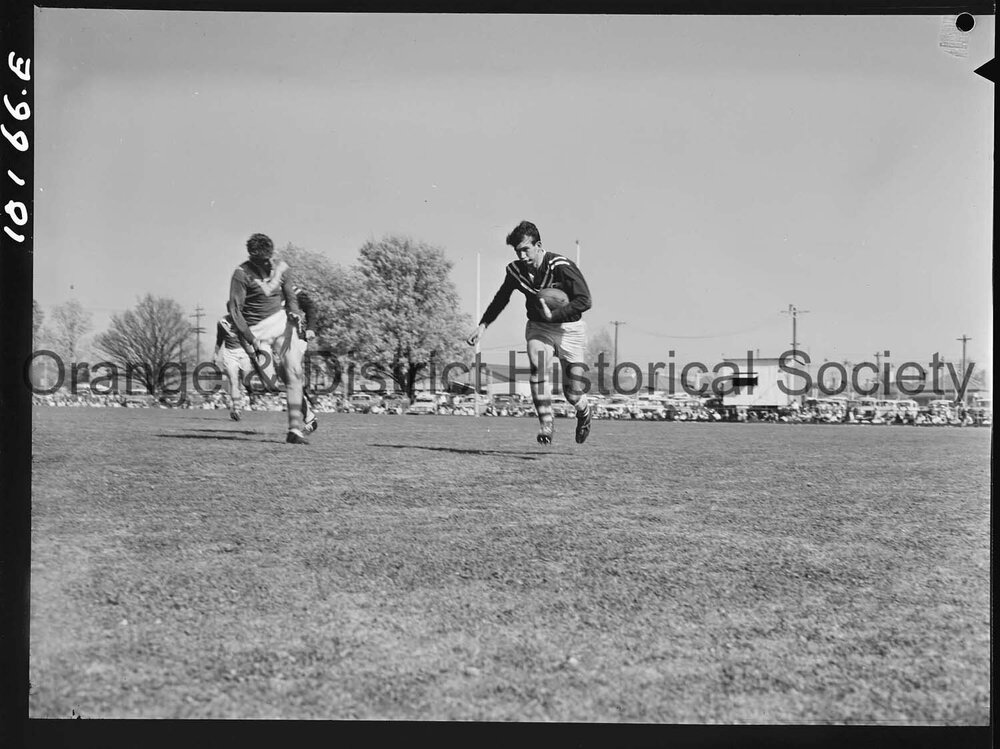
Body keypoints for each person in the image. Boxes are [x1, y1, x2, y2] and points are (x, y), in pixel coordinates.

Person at [466, 220, 593, 445]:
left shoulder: (561, 266)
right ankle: (546, 422)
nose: (522, 255)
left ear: (538, 245)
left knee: (572, 393)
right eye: (518, 251)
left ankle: (583, 412)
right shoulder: (515, 270)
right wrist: (484, 324)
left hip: (569, 330)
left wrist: (557, 314)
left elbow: (585, 300)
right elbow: (501, 298)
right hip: (539, 327)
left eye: (526, 249)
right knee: (537, 363)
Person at [227, 233, 310, 444]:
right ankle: (301, 405)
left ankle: (295, 430)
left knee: (294, 371)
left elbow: (290, 297)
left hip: (281, 326)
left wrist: (294, 311)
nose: (266, 263)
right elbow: (235, 310)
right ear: (251, 257)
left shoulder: (282, 267)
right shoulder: (241, 274)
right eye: (260, 260)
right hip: (256, 333)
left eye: (268, 258)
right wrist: (248, 337)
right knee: (272, 384)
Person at [213, 313, 254, 421]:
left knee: (245, 381)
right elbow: (219, 339)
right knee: (233, 381)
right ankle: (236, 409)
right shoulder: (222, 323)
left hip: (244, 352)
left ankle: (250, 391)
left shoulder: (246, 319)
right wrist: (216, 353)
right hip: (229, 353)